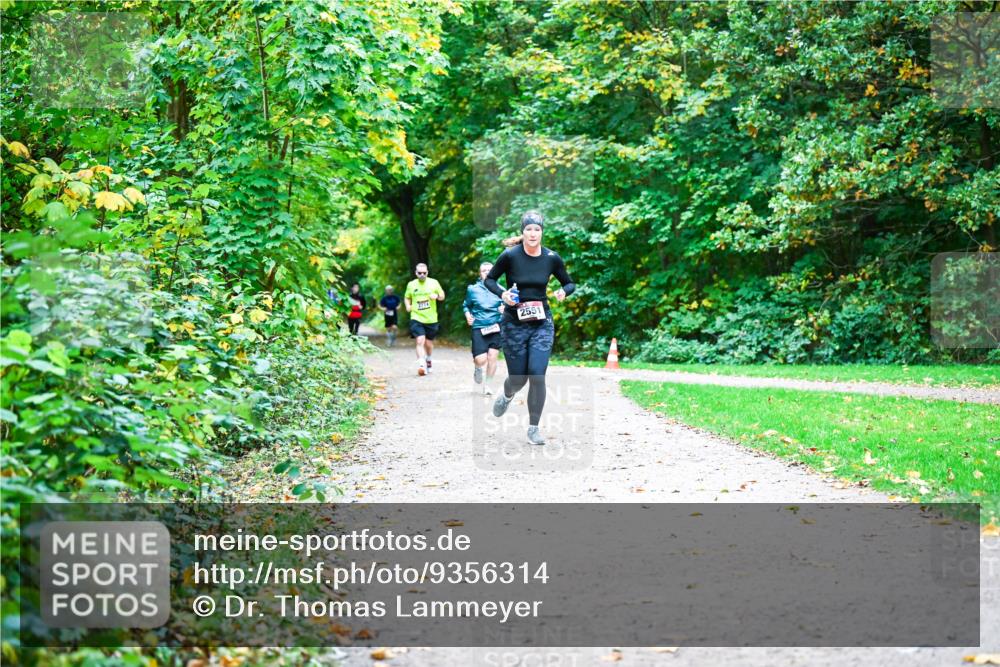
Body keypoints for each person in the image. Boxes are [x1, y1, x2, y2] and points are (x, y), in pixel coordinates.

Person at [484, 210, 575, 445]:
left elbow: (569, 282)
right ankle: (507, 394)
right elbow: (490, 279)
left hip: (541, 323)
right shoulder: (510, 256)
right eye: (529, 229)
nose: (533, 233)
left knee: (536, 374)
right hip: (514, 324)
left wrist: (563, 291)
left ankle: (533, 428)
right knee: (518, 378)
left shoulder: (552, 258)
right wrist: (503, 294)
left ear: (542, 232)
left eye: (537, 229)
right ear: (522, 232)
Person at [463, 262, 504, 395]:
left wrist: (505, 309)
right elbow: (466, 305)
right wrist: (468, 315)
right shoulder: (472, 289)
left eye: (489, 270)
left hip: (496, 326)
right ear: (479, 274)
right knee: (481, 360)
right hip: (479, 327)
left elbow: (510, 306)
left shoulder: (501, 289)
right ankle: (477, 367)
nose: (486, 272)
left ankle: (488, 385)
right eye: (483, 270)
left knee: (493, 357)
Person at [404, 263, 445, 376]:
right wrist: (408, 306)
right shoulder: (411, 284)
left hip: (431, 318)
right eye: (419, 273)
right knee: (420, 340)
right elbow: (407, 297)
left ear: (427, 272)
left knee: (429, 343)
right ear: (415, 273)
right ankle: (422, 365)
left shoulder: (434, 282)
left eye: (424, 273)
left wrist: (436, 296)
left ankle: (429, 359)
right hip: (416, 317)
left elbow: (442, 296)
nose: (422, 275)